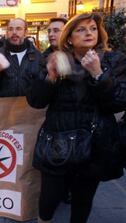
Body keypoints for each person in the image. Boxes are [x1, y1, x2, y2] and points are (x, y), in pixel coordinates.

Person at [26, 13, 126, 223]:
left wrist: (99, 74)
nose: (89, 33)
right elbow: (36, 101)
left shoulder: (113, 60)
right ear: (69, 38)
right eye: (81, 29)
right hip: (58, 144)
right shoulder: (54, 59)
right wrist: (49, 78)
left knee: (82, 201)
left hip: (95, 145)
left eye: (92, 28)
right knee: (48, 200)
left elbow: (118, 102)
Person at [0, 18, 43, 97]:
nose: (14, 32)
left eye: (18, 29)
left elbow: (42, 86)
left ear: (26, 32)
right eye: (10, 29)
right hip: (4, 107)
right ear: (7, 33)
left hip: (30, 107)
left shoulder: (37, 56)